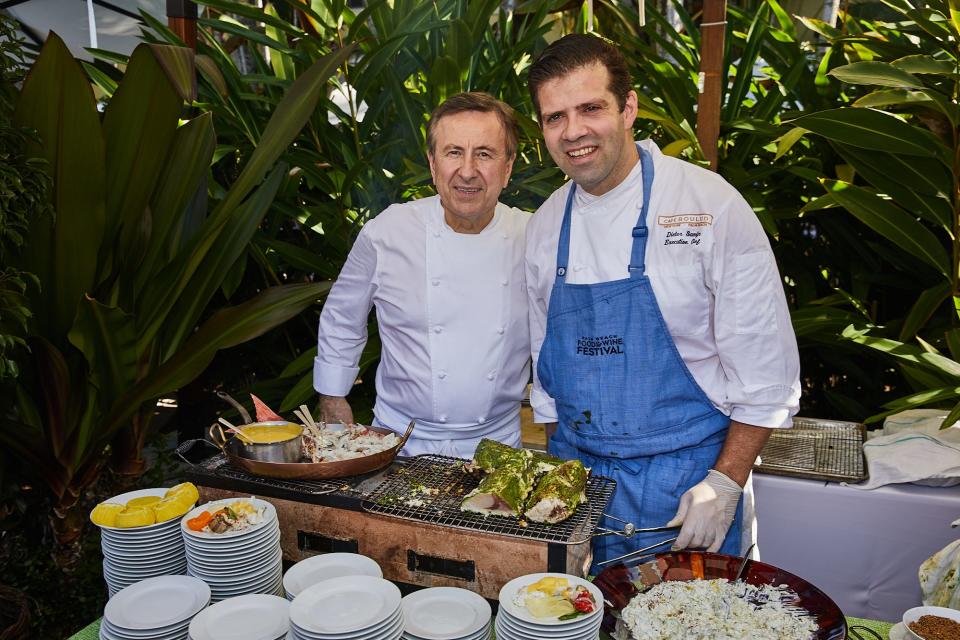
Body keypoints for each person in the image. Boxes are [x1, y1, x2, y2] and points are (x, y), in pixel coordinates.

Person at [524, 34, 801, 570]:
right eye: (555, 117)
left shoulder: (709, 206)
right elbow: (549, 378)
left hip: (687, 485)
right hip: (580, 487)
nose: (574, 131)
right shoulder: (543, 228)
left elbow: (766, 376)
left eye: (590, 108)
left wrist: (723, 484)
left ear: (628, 108)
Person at [314, 92, 530, 458]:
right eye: (453, 152)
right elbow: (342, 315)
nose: (467, 170)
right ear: (433, 165)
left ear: (507, 167)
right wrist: (333, 397)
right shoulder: (388, 232)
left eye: (484, 153)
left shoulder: (535, 236)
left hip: (497, 447)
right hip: (400, 442)